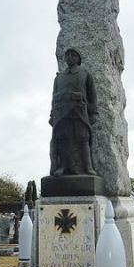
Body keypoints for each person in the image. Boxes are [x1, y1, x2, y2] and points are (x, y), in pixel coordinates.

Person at [49, 48, 97, 176]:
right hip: (62, 112)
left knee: (83, 138)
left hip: (79, 110)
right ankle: (63, 166)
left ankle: (88, 167)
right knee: (63, 139)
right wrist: (52, 115)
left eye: (73, 55)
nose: (69, 57)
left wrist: (94, 114)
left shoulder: (85, 74)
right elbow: (54, 98)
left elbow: (92, 96)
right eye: (67, 55)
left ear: (78, 59)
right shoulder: (59, 78)